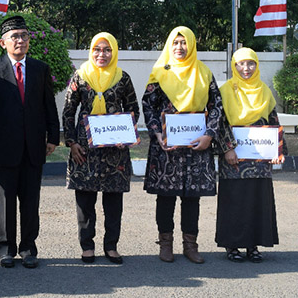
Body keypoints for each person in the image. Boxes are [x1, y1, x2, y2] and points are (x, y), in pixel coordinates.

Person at [143, 26, 231, 264]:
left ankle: (190, 245)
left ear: (191, 45)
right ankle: (165, 244)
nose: (179, 47)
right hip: (167, 148)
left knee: (192, 198)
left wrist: (209, 135)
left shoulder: (203, 72)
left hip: (196, 147)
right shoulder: (160, 72)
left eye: (184, 43)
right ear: (169, 45)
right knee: (165, 196)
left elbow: (216, 107)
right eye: (175, 43)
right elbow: (148, 105)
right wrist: (156, 134)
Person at [0, 16, 59, 269]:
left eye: (24, 36)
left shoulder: (40, 68)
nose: (20, 41)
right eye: (14, 36)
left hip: (34, 146)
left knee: (30, 200)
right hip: (3, 146)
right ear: (3, 42)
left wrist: (53, 137)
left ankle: (28, 248)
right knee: (4, 201)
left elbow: (49, 105)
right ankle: (5, 249)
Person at [62, 32, 139, 264]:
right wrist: (72, 143)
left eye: (107, 50)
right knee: (85, 201)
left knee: (113, 202)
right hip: (84, 150)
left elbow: (133, 108)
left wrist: (126, 134)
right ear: (91, 51)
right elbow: (68, 110)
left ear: (114, 52)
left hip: (115, 150)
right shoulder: (81, 76)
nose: (102, 54)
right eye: (97, 49)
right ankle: (87, 246)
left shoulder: (122, 78)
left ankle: (111, 245)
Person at [216, 48, 285, 262]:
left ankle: (253, 245)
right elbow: (219, 121)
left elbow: (273, 122)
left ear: (257, 65)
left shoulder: (264, 90)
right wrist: (227, 148)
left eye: (251, 63)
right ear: (233, 66)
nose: (246, 68)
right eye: (240, 64)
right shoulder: (226, 90)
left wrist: (276, 151)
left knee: (257, 199)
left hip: (259, 159)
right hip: (234, 157)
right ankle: (232, 245)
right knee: (235, 199)